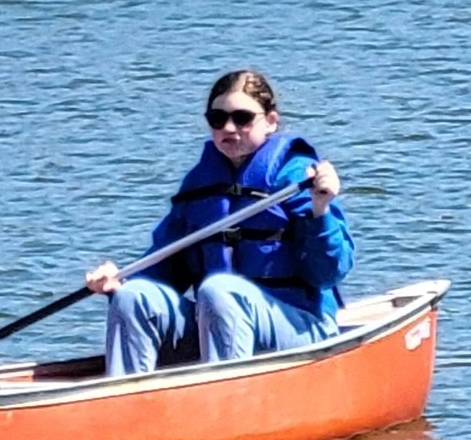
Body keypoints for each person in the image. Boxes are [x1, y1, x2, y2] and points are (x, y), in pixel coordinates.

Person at [85, 70, 354, 377]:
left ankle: (225, 406)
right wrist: (119, 281)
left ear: (271, 121)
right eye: (217, 119)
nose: (229, 128)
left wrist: (321, 209)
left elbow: (329, 272)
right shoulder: (200, 185)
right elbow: (164, 268)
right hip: (218, 325)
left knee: (219, 290)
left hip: (298, 327)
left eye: (242, 118)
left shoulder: (297, 178)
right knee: (133, 298)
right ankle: (126, 404)